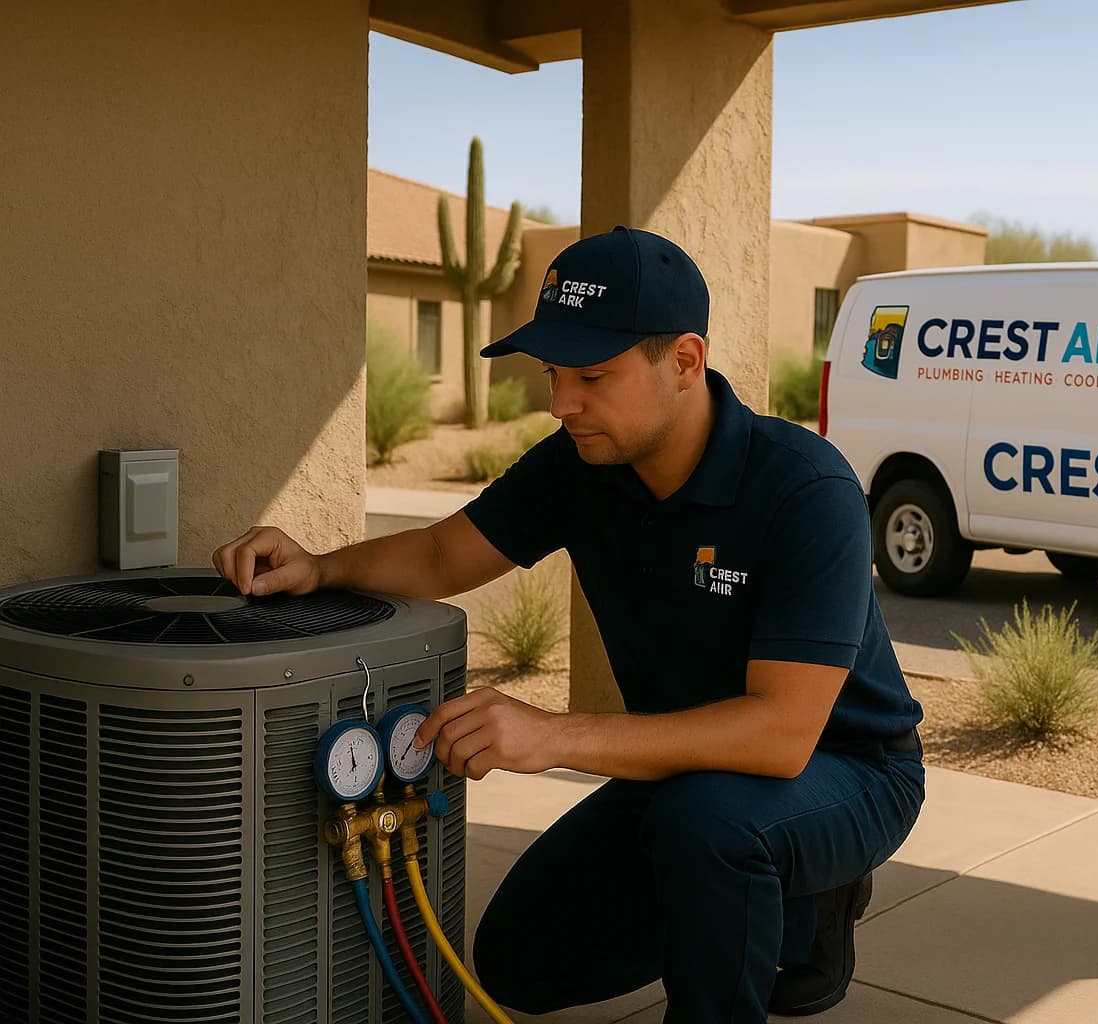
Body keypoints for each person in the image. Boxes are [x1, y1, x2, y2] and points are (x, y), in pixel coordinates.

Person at [211, 226, 925, 1022]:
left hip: (846, 768)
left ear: (685, 362)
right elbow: (447, 555)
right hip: (687, 769)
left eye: (593, 375)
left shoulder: (804, 489)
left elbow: (781, 735)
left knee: (712, 829)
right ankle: (758, 900)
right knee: (521, 963)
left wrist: (552, 735)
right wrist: (321, 565)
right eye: (554, 373)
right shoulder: (582, 464)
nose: (562, 403)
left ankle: (797, 890)